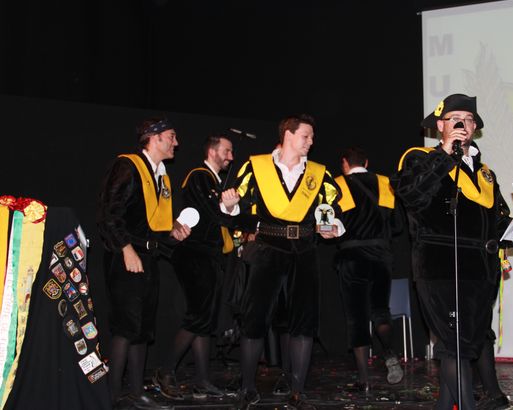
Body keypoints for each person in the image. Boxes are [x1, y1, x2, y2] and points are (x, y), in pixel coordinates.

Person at [391, 94, 513, 410]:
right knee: (454, 346)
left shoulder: (485, 173)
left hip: (480, 271)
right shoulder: (419, 158)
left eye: (468, 119)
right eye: (455, 119)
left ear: (475, 127)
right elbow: (411, 195)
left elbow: (496, 222)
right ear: (440, 125)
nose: (462, 124)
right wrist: (446, 156)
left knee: (465, 345)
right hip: (439, 266)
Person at [220, 114, 343, 410]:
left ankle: (297, 391)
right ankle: (247, 388)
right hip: (267, 248)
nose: (311, 142)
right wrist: (230, 205)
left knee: (303, 322)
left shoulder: (319, 174)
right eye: (306, 136)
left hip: (305, 249)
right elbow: (235, 208)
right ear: (288, 135)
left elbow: (331, 209)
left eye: (312, 137)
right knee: (255, 319)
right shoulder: (255, 167)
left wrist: (332, 227)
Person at [97, 117, 191, 410]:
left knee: (142, 328)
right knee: (126, 327)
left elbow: (151, 222)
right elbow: (109, 213)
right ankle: (112, 396)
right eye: (172, 136)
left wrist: (173, 229)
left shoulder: (161, 175)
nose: (176, 143)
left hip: (149, 257)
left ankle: (136, 392)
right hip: (126, 256)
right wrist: (126, 248)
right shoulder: (127, 166)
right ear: (154, 137)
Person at [153, 134, 239, 400]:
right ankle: (165, 370)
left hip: (207, 256)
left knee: (205, 318)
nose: (231, 157)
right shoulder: (199, 176)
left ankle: (201, 380)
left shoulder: (212, 180)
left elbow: (217, 215)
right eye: (227, 151)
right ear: (212, 151)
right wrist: (230, 208)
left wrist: (228, 209)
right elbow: (213, 212)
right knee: (199, 315)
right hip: (194, 256)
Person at [332, 146, 404, 394]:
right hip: (382, 257)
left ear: (345, 163)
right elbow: (397, 226)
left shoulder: (338, 185)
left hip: (352, 257)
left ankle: (364, 379)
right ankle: (390, 353)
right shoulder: (385, 183)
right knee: (381, 311)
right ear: (366, 162)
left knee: (357, 318)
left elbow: (332, 225)